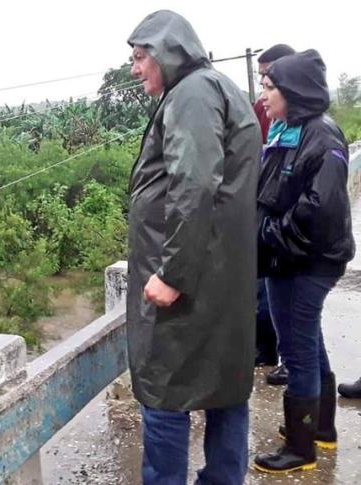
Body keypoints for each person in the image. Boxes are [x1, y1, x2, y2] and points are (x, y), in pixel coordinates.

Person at [126, 10, 259, 484]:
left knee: (165, 390)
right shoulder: (217, 88)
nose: (136, 68)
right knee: (224, 386)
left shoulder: (192, 93)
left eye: (141, 57)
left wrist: (172, 273)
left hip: (190, 283)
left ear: (167, 51)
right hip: (221, 276)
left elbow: (195, 183)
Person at [253, 49, 355, 474]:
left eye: (270, 87)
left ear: (292, 91)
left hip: (304, 261)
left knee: (297, 350)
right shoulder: (289, 129)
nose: (263, 95)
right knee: (309, 341)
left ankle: (300, 449)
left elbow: (320, 208)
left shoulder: (322, 136)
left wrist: (267, 234)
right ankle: (320, 429)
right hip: (288, 260)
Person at [253, 45, 296, 387]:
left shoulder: (311, 130)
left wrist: (280, 231)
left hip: (288, 236)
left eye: (269, 79)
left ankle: (313, 428)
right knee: (265, 295)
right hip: (268, 225)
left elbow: (315, 196)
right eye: (261, 79)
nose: (263, 87)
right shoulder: (264, 114)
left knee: (297, 319)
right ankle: (268, 352)